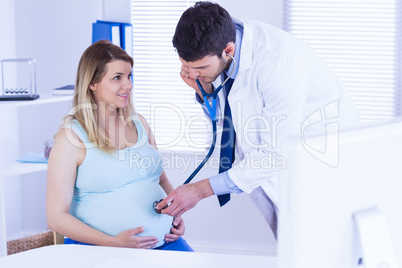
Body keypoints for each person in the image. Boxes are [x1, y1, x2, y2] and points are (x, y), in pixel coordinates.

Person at [156, 1, 360, 238]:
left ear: (228, 51)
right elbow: (228, 125)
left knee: (321, 246)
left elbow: (275, 153)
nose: (191, 74)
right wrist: (204, 91)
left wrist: (200, 190)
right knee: (291, 247)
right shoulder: (219, 54)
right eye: (186, 66)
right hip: (270, 165)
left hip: (318, 165)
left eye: (200, 67)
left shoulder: (279, 62)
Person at [46, 40, 193, 251]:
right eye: (117, 78)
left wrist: (175, 214)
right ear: (92, 83)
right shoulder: (71, 138)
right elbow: (56, 217)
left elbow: (160, 179)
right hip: (100, 249)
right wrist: (113, 242)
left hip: (166, 241)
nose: (128, 85)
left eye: (129, 76)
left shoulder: (139, 123)